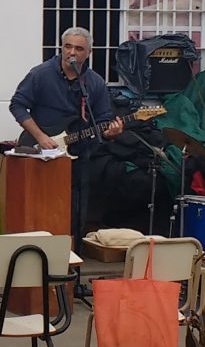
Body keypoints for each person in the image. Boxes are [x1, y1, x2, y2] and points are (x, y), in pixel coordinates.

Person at [10, 27, 122, 238]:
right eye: (68, 46)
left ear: (88, 53)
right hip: (39, 152)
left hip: (78, 155)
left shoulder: (95, 82)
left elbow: (103, 120)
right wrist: (40, 136)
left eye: (79, 49)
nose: (72, 52)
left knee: (74, 207)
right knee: (36, 203)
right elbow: (17, 105)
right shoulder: (40, 74)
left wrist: (111, 133)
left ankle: (71, 244)